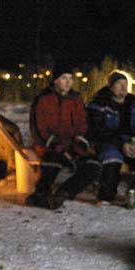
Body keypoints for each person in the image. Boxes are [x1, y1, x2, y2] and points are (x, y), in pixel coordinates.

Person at [25, 64, 100, 209]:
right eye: (64, 78)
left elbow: (82, 125)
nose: (68, 82)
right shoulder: (43, 99)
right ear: (55, 80)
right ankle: (40, 194)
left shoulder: (76, 99)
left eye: (70, 78)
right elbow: (38, 129)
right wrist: (56, 146)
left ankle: (63, 193)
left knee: (93, 166)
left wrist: (80, 142)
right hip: (49, 145)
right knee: (52, 161)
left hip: (72, 145)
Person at [86, 72, 135, 203]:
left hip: (131, 143)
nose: (123, 87)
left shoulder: (134, 105)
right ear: (111, 87)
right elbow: (98, 132)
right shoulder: (99, 104)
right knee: (112, 155)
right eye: (119, 84)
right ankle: (106, 194)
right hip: (108, 142)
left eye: (125, 84)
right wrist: (121, 144)